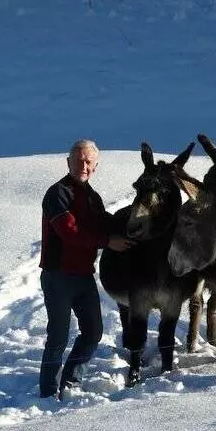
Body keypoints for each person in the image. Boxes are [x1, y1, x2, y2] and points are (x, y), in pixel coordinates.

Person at [38, 139, 133, 398]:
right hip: (58, 275)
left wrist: (135, 223)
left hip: (83, 276)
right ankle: (47, 393)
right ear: (68, 162)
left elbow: (105, 222)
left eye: (88, 161)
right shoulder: (57, 193)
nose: (84, 165)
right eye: (79, 160)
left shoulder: (92, 197)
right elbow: (70, 233)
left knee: (93, 332)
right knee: (58, 337)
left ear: (96, 166)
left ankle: (70, 381)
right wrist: (107, 242)